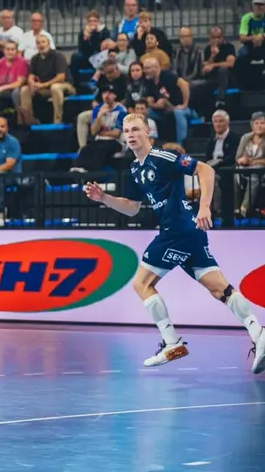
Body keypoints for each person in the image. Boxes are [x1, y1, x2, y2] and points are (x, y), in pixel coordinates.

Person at [85, 115, 265, 373]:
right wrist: (104, 198)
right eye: (126, 131)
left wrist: (204, 207)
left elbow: (206, 169)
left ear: (148, 133)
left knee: (141, 284)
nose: (130, 135)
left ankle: (172, 342)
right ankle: (259, 333)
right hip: (189, 234)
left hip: (176, 232)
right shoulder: (136, 169)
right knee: (220, 289)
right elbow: (132, 208)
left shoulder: (163, 157)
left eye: (136, 129)